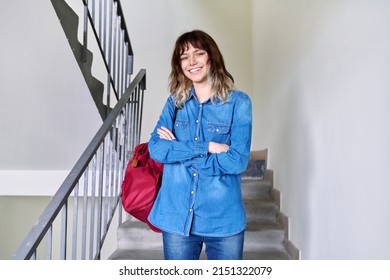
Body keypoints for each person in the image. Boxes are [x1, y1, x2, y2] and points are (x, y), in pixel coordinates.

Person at [147, 30, 252, 260]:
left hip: (223, 220)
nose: (191, 62)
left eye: (198, 54)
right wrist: (208, 147)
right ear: (179, 64)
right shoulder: (175, 103)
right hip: (176, 217)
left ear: (211, 57)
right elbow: (156, 149)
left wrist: (178, 151)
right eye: (184, 57)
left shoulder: (239, 103)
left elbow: (237, 161)